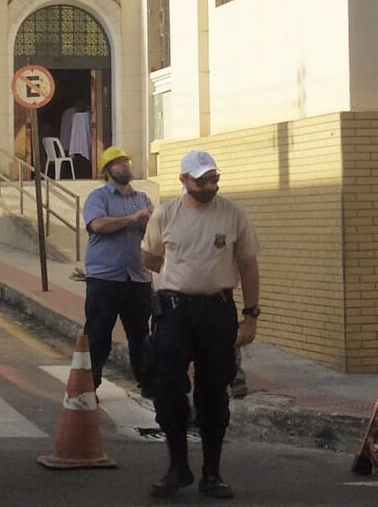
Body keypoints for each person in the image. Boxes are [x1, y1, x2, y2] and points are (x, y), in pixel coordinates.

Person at [141, 150, 260, 499]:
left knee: (213, 392)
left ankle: (212, 472)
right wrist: (180, 271)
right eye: (201, 180)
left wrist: (250, 315)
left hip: (217, 310)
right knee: (167, 387)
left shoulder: (233, 214)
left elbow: (249, 266)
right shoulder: (165, 215)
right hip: (174, 312)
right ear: (184, 181)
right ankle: (177, 467)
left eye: (214, 178)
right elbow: (148, 256)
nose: (210, 185)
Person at [82, 146, 153, 398]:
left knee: (142, 337)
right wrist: (133, 219)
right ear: (107, 170)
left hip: (138, 278)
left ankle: (151, 389)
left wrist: (148, 223)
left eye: (128, 161)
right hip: (105, 278)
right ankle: (88, 388)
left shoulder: (142, 198)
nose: (126, 165)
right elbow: (97, 224)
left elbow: (154, 230)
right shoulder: (97, 198)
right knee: (98, 335)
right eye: (119, 162)